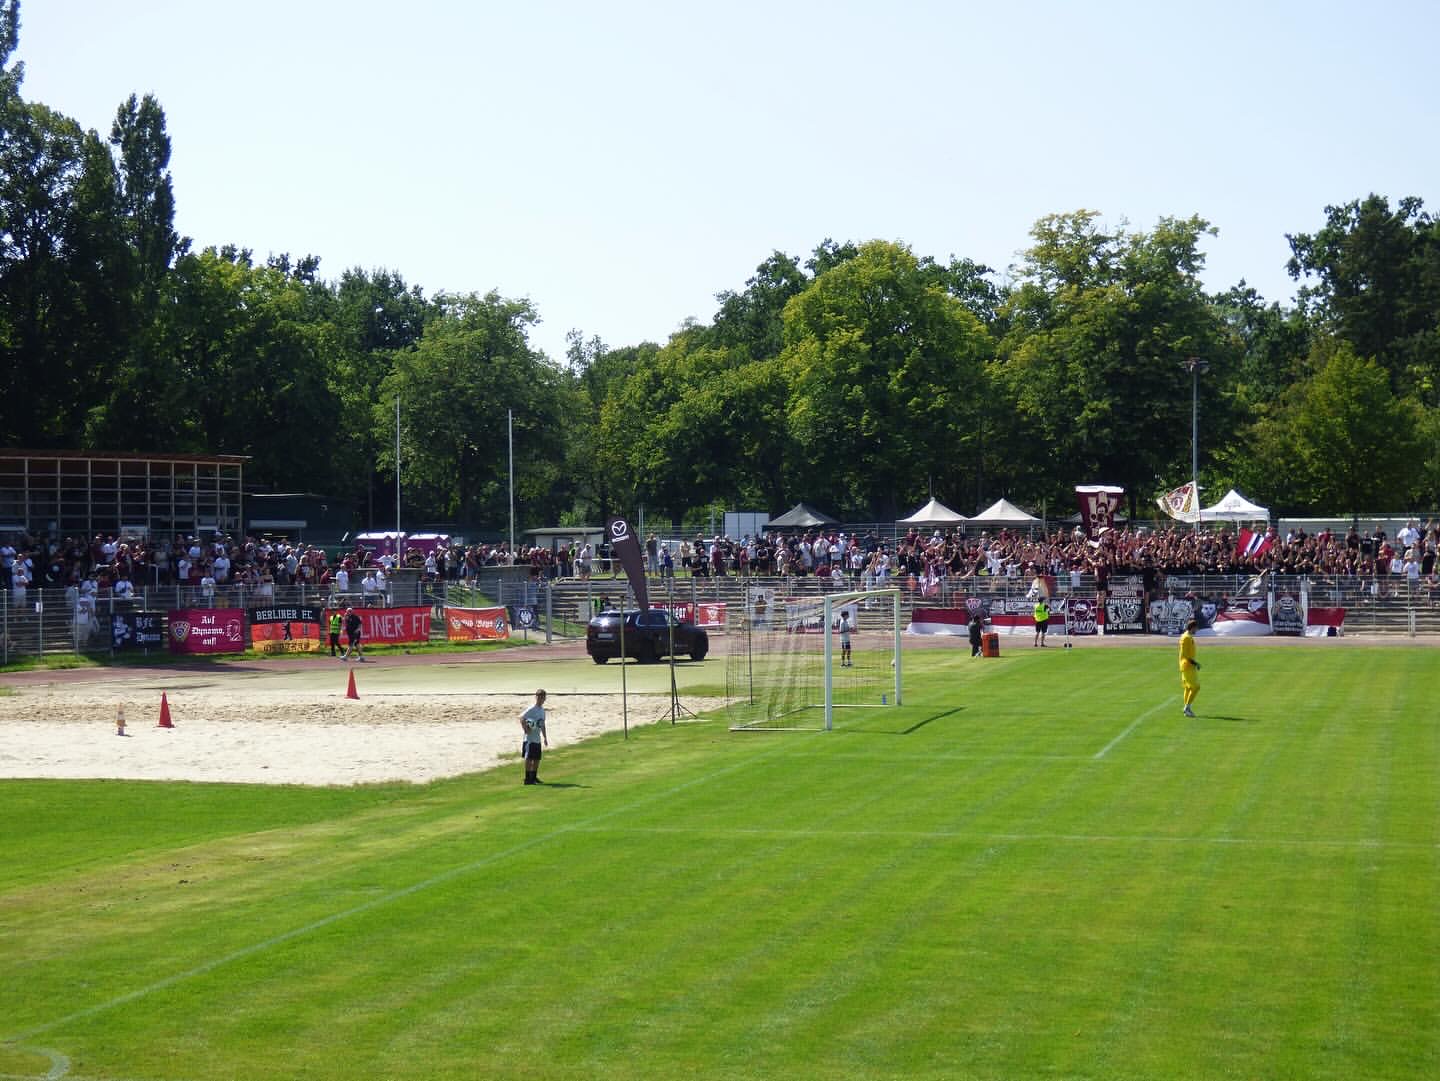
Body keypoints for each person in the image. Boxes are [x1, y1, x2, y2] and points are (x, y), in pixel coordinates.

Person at [520, 688, 549, 785]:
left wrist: (545, 737)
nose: (540, 699)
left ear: (544, 699)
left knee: (537, 759)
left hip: (537, 738)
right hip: (529, 739)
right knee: (529, 759)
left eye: (542, 698)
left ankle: (534, 777)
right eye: (539, 697)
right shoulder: (532, 708)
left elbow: (542, 724)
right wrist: (526, 729)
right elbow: (521, 718)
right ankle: (527, 779)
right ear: (536, 697)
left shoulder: (542, 710)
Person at [1178, 618, 1200, 717]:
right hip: (1187, 666)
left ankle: (1187, 708)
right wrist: (1194, 663)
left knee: (1188, 688)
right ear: (1193, 628)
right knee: (1195, 687)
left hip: (1188, 665)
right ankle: (1187, 707)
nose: (1197, 630)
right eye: (1196, 628)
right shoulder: (1186, 638)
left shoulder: (1188, 636)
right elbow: (1185, 654)